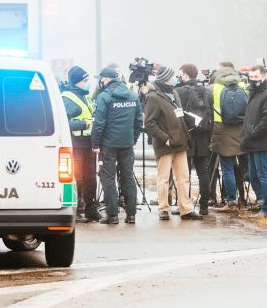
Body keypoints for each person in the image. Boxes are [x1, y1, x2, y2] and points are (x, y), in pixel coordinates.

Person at [143, 66, 203, 221]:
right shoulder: (153, 97)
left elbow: (179, 114)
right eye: (171, 76)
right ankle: (163, 208)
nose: (175, 78)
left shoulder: (174, 93)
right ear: (165, 78)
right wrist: (165, 138)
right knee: (164, 178)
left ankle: (186, 209)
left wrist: (191, 123)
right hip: (166, 145)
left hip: (180, 142)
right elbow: (149, 123)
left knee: (183, 178)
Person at [92, 67, 143, 225]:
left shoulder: (104, 97)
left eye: (101, 79)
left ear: (106, 79)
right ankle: (131, 215)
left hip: (108, 145)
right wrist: (133, 140)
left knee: (108, 178)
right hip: (126, 145)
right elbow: (138, 122)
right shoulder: (133, 96)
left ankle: (112, 215)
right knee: (127, 177)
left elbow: (99, 123)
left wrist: (95, 144)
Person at [60, 66, 100, 223]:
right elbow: (63, 123)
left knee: (90, 177)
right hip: (75, 145)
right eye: (85, 80)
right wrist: (83, 125)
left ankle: (91, 209)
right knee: (75, 178)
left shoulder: (86, 97)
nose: (87, 83)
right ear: (76, 82)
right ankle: (75, 211)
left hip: (88, 143)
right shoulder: (66, 98)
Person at [240, 65, 267, 217]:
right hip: (251, 141)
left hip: (261, 141)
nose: (253, 80)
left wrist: (254, 132)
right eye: (251, 77)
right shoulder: (253, 92)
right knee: (253, 174)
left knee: (264, 175)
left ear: (263, 77)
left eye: (256, 77)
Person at [175, 63, 213, 215]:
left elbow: (178, 115)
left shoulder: (179, 91)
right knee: (203, 172)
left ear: (184, 74)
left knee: (185, 174)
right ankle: (204, 207)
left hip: (186, 136)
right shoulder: (206, 91)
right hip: (203, 136)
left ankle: (185, 206)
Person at [211, 65, 247, 212]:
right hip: (242, 131)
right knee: (247, 167)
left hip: (222, 132)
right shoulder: (243, 85)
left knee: (227, 169)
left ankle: (231, 201)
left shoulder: (213, 88)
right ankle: (255, 199)